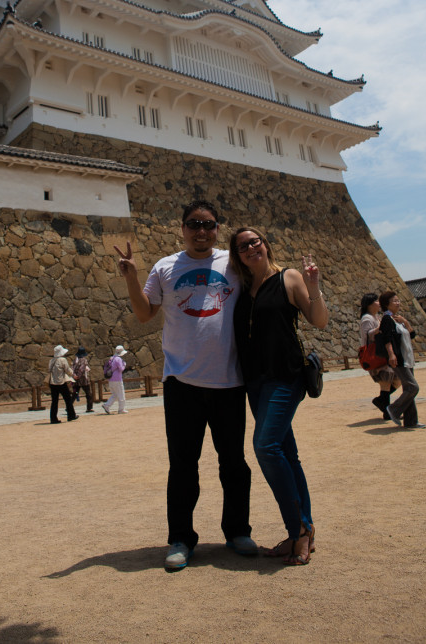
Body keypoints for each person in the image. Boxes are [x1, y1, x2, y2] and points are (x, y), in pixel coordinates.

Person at [114, 200, 256, 572]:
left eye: (209, 224)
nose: (201, 231)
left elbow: (266, 283)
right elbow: (145, 313)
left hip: (229, 380)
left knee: (235, 464)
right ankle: (180, 537)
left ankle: (238, 530)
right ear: (182, 228)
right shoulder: (165, 267)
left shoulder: (233, 263)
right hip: (181, 382)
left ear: (217, 229)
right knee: (182, 466)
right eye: (194, 224)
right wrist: (131, 276)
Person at [229, 226, 328, 566]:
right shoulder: (242, 288)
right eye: (243, 246)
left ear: (266, 245)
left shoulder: (289, 278)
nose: (251, 248)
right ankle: (305, 528)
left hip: (285, 378)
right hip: (254, 382)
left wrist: (313, 288)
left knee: (266, 447)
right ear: (237, 254)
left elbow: (318, 321)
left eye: (255, 242)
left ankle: (298, 529)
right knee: (287, 452)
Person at [378, 291, 425, 429]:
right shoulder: (387, 319)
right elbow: (387, 339)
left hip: (408, 358)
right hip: (398, 359)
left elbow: (412, 335)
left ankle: (411, 421)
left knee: (408, 388)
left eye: (398, 300)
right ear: (387, 304)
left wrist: (406, 322)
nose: (398, 303)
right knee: (412, 387)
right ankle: (393, 409)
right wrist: (391, 355)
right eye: (394, 301)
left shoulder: (398, 318)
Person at [359, 293, 399, 418]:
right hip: (374, 354)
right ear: (370, 304)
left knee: (396, 380)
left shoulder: (376, 317)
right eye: (376, 300)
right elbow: (368, 334)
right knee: (386, 382)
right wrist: (381, 327)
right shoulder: (367, 318)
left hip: (381, 353)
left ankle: (381, 401)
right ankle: (387, 411)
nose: (379, 302)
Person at [48, 344, 79, 424]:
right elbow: (67, 369)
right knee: (68, 399)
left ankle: (53, 418)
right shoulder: (62, 360)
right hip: (61, 382)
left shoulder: (51, 361)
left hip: (52, 383)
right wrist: (73, 375)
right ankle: (71, 415)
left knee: (54, 401)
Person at [102, 345, 129, 415]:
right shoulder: (118, 359)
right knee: (121, 394)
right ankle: (121, 409)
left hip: (110, 379)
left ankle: (106, 405)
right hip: (117, 379)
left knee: (115, 394)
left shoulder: (111, 358)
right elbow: (121, 369)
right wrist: (124, 364)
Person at [72, 346, 94, 413]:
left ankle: (69, 406)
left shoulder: (75, 360)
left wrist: (74, 376)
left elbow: (72, 368)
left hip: (76, 380)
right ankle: (89, 408)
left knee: (75, 393)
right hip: (83, 380)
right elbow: (81, 369)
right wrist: (78, 376)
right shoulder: (84, 360)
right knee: (88, 393)